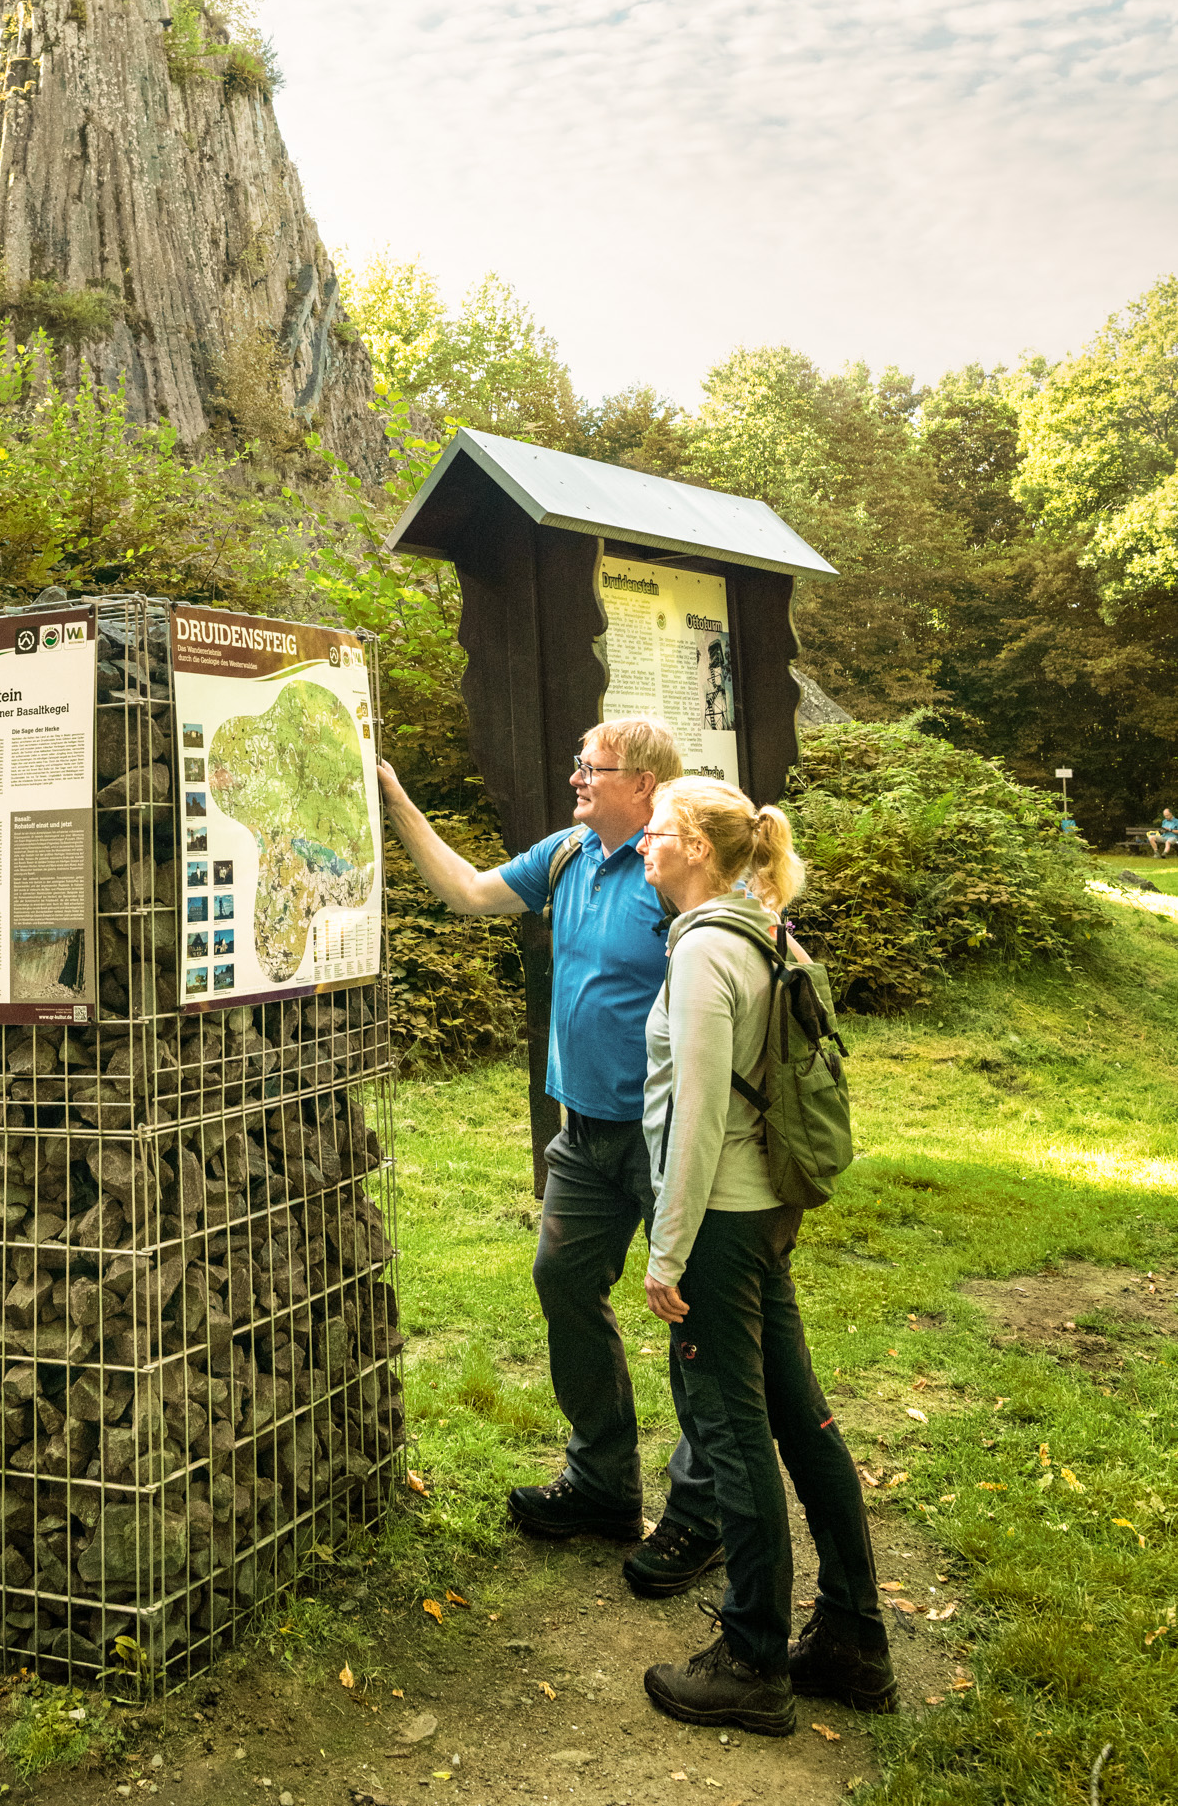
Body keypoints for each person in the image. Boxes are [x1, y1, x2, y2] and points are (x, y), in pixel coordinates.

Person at [377, 720, 723, 1592]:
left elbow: (756, 962)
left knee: (698, 1322)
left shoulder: (678, 865)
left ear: (642, 784)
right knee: (564, 1285)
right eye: (576, 762)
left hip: (669, 1139)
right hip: (583, 1136)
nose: (574, 777)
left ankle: (699, 1513)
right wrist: (395, 799)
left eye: (591, 768)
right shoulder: (569, 853)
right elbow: (468, 892)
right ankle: (602, 1484)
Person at [636, 777, 894, 1736]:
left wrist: (666, 1254)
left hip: (718, 1225)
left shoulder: (705, 948)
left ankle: (751, 1658)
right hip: (765, 1213)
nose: (646, 847)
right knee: (800, 1417)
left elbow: (697, 1113)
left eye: (658, 833)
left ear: (699, 847)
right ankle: (853, 1641)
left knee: (733, 1434)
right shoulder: (763, 928)